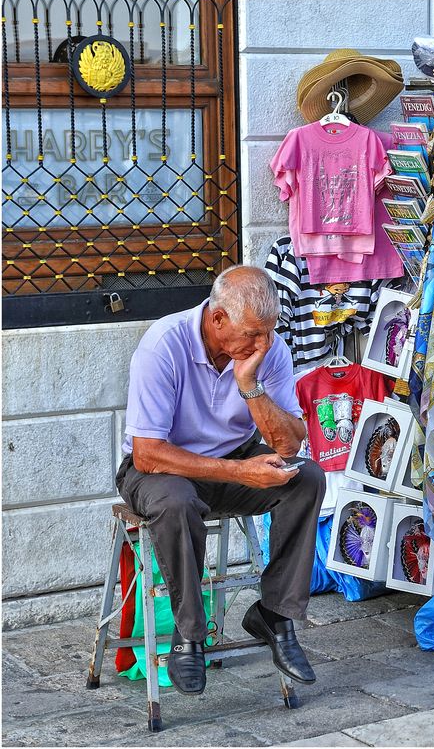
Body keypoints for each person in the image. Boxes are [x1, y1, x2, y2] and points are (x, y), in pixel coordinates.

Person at [116, 265, 325, 695]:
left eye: (268, 333)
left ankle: (275, 615)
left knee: (306, 480)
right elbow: (147, 452)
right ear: (217, 320)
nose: (262, 344)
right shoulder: (163, 345)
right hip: (159, 468)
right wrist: (237, 471)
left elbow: (288, 445)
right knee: (176, 503)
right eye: (252, 334)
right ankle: (189, 634)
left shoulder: (268, 350)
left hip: (232, 458)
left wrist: (249, 384)